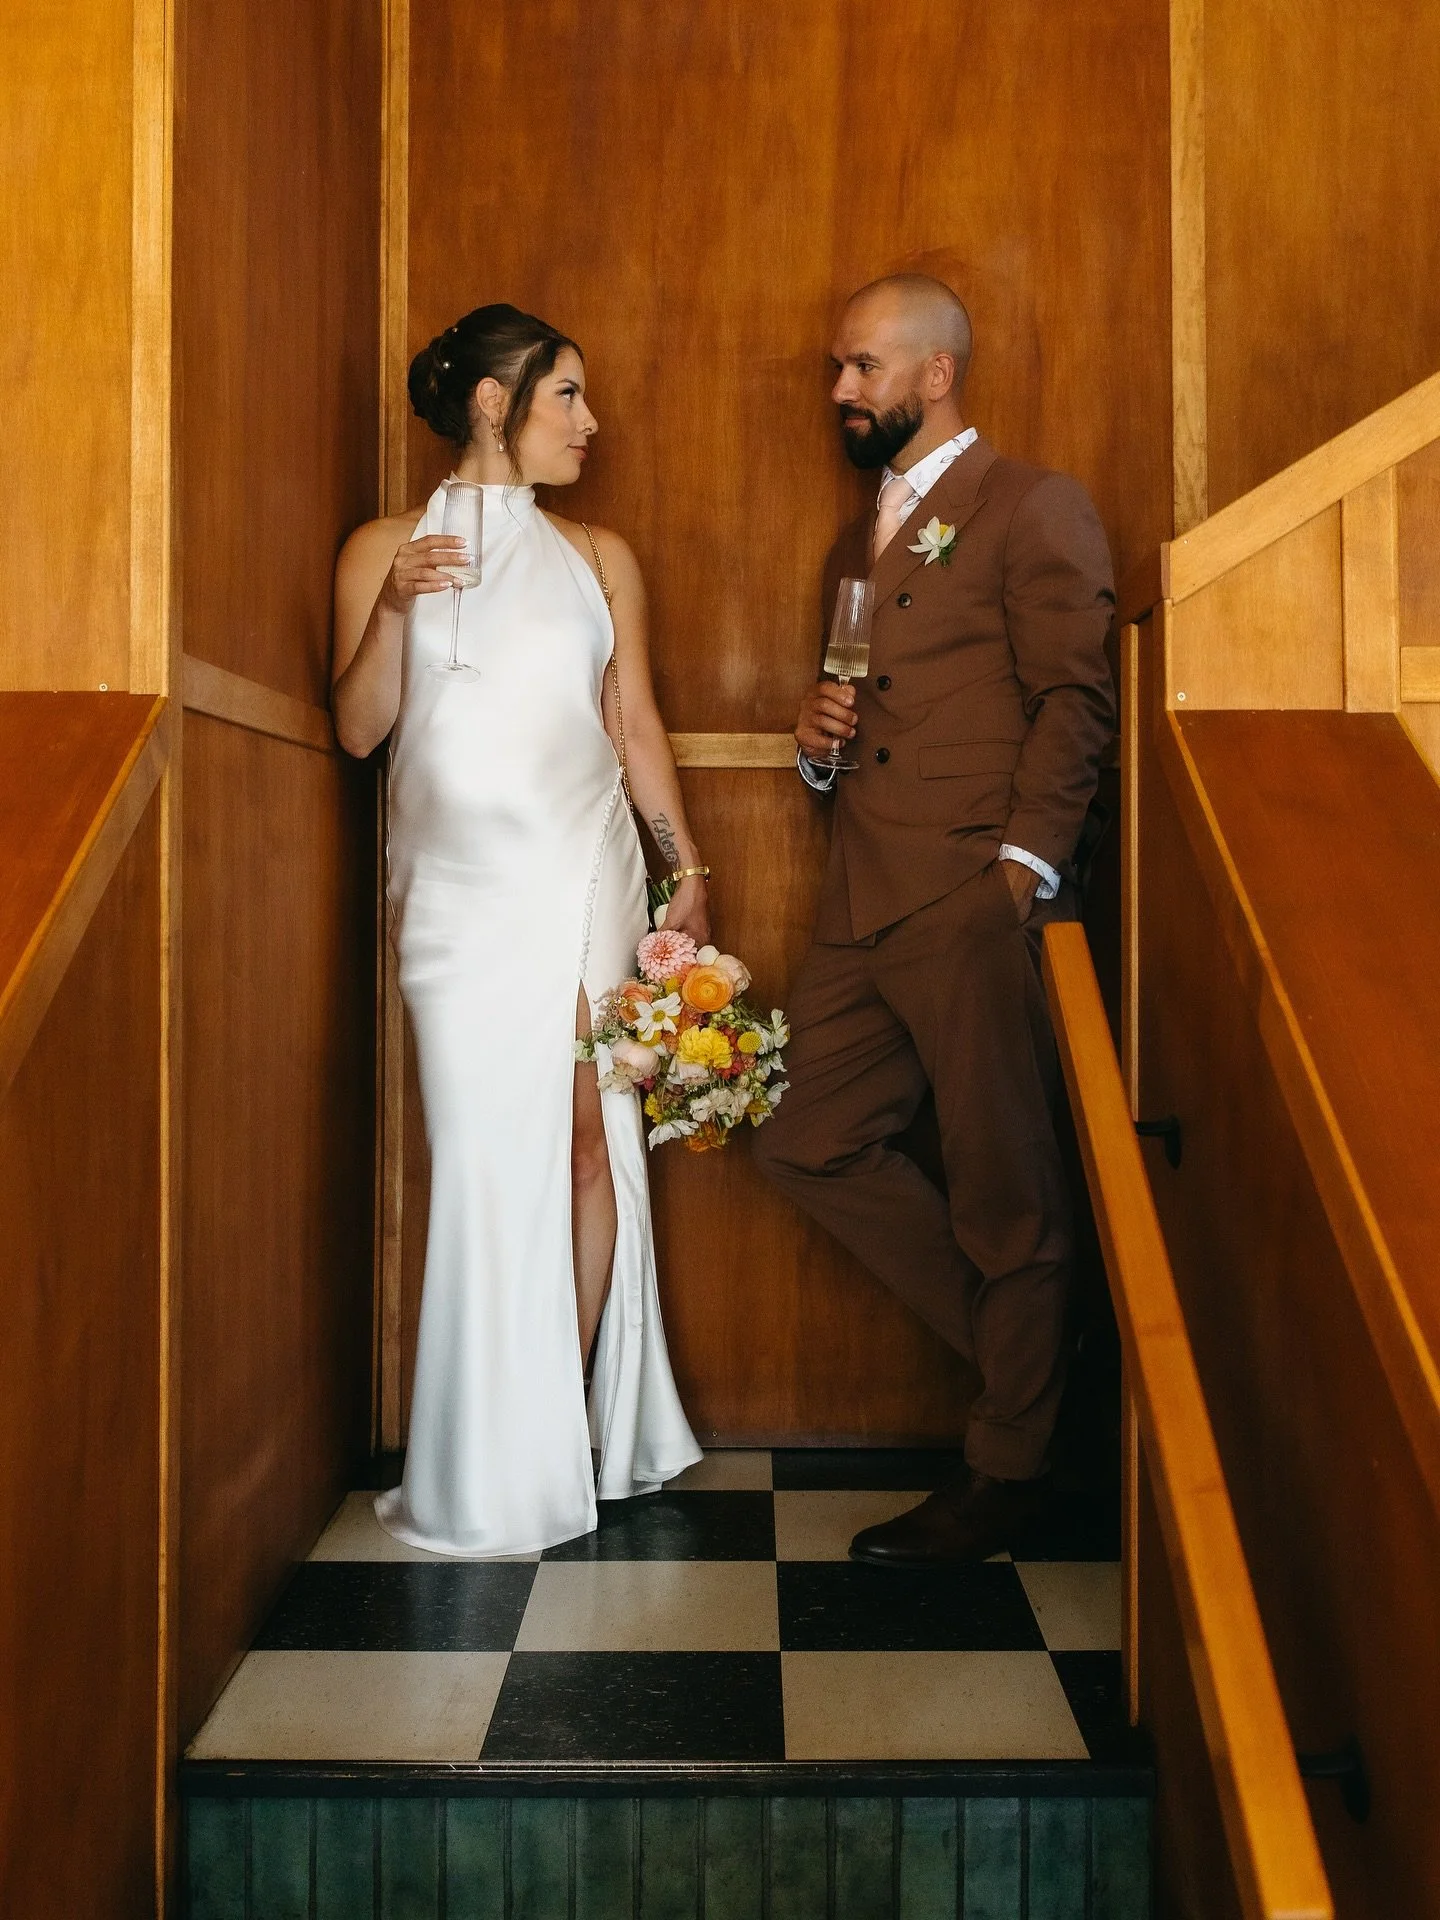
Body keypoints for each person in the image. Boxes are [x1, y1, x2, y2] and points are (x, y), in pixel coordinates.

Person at [754, 274, 1115, 1566]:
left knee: (1010, 1195)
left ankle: (1011, 1468)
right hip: (862, 894)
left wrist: (1019, 869)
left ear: (934, 371)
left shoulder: (1033, 505)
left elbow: (1077, 698)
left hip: (969, 894)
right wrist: (812, 744)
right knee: (803, 1138)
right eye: (836, 371)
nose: (841, 392)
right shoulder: (859, 537)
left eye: (859, 368)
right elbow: (854, 716)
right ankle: (1052, 1373)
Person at [332, 303, 702, 1556]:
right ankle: (483, 1448)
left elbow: (633, 721)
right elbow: (359, 732)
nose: (591, 424)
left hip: (584, 868)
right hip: (453, 896)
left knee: (591, 1145)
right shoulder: (385, 546)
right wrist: (390, 607)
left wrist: (681, 864)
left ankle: (562, 1422)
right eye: (568, 399)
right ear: (495, 405)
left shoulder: (601, 555)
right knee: (483, 1160)